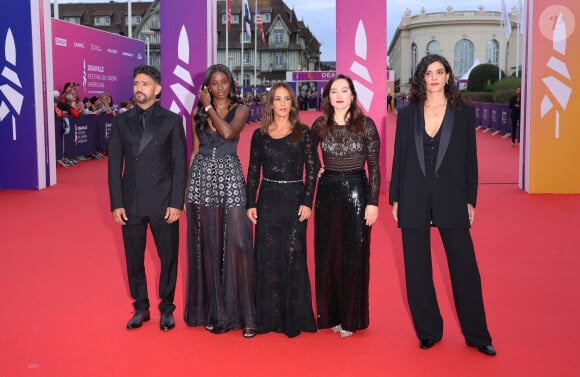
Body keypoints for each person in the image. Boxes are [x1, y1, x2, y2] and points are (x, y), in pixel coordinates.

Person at [389, 54, 496, 356]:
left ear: (449, 76)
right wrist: (394, 196)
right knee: (416, 268)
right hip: (412, 195)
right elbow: (399, 158)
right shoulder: (408, 114)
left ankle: (477, 334)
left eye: (440, 72)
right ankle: (428, 330)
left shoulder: (463, 113)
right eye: (428, 72)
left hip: (451, 196)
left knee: (465, 268)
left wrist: (470, 200)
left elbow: (470, 161)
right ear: (421, 77)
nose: (434, 77)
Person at [107, 65, 187, 331]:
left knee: (168, 257)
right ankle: (141, 308)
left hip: (164, 202)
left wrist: (177, 202)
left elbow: (179, 164)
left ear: (157, 89)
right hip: (131, 202)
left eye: (144, 84)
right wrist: (116, 203)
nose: (138, 89)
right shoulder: (121, 121)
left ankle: (167, 308)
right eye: (136, 84)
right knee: (133, 258)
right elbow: (114, 165)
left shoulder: (172, 121)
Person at [184, 64, 256, 338]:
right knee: (210, 246)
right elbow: (195, 151)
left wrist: (208, 107)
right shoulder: (195, 115)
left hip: (230, 177)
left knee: (238, 243)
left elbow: (227, 133)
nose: (220, 87)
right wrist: (185, 190)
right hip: (201, 181)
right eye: (214, 83)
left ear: (230, 83)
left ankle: (247, 316)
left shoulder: (241, 109)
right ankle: (215, 312)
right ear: (207, 87)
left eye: (224, 81)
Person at [246, 82, 318, 338]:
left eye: (287, 99)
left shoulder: (303, 132)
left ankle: (292, 318)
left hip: (294, 200)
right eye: (278, 99)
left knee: (292, 257)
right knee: (266, 256)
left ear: (293, 103)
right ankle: (266, 318)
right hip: (267, 199)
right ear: (270, 104)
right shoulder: (260, 135)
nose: (283, 104)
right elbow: (253, 172)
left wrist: (308, 202)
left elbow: (312, 171)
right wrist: (250, 203)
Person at [311, 74, 380, 338]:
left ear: (352, 95)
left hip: (357, 192)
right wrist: (316, 168)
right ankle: (331, 315)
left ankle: (352, 318)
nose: (339, 95)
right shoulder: (321, 124)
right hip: (327, 191)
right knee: (329, 254)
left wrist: (372, 202)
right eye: (333, 92)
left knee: (355, 254)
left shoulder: (366, 125)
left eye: (344, 90)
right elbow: (306, 149)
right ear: (328, 97)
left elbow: (373, 167)